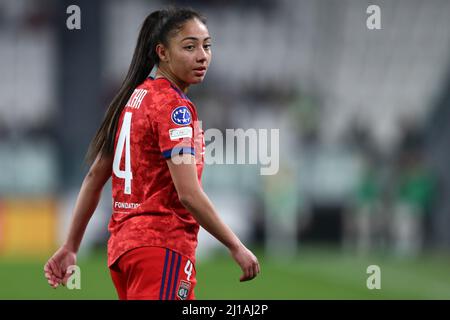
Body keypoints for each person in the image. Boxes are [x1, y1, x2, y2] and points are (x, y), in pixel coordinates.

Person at [44, 7, 260, 300]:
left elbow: (95, 176)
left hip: (125, 252)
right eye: (189, 46)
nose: (202, 55)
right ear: (162, 52)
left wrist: (71, 245)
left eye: (207, 46)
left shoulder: (132, 99)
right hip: (161, 247)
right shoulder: (173, 108)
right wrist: (236, 245)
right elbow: (188, 194)